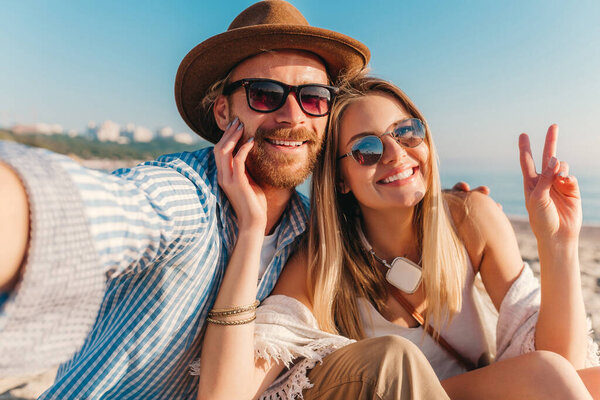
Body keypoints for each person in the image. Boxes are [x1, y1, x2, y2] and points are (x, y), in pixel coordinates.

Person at [0, 2, 475, 399]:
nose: (293, 115)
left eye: (313, 97)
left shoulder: (308, 233)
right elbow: (98, 209)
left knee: (385, 363)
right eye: (266, 94)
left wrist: (440, 207)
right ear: (224, 109)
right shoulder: (185, 195)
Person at [198, 75, 600, 399]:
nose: (395, 153)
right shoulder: (322, 263)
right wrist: (252, 229)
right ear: (339, 179)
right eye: (367, 149)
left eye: (407, 132)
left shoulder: (469, 217)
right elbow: (226, 393)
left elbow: (565, 365)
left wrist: (558, 242)